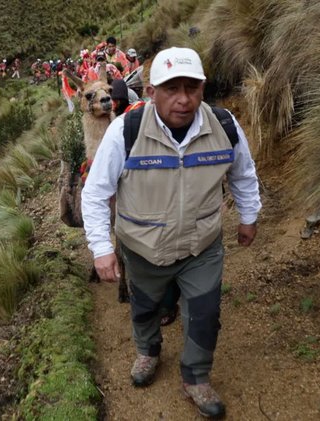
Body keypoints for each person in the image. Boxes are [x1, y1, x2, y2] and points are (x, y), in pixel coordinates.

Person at [81, 47, 261, 419]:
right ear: (151, 92)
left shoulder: (223, 126)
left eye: (192, 88)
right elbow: (96, 192)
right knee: (145, 307)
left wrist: (249, 215)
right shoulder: (125, 131)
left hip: (202, 245)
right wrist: (101, 248)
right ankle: (148, 352)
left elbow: (242, 173)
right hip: (144, 248)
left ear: (203, 88)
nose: (183, 99)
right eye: (171, 88)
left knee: (205, 312)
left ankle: (196, 376)